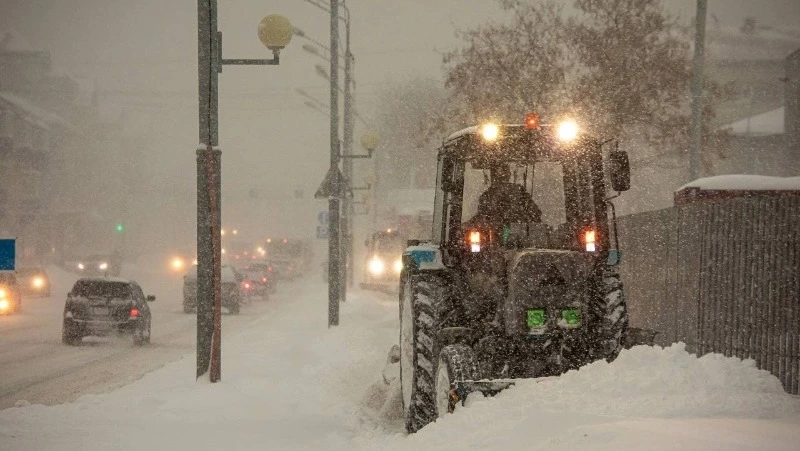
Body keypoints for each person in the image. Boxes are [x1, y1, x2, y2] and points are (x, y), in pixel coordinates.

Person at [472, 164, 542, 227]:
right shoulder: (520, 191)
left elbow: (482, 213)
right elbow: (534, 211)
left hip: (510, 229)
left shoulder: (488, 194)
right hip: (515, 229)